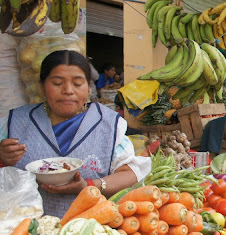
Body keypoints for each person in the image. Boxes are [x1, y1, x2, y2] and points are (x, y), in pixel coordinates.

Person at [0, 50, 151, 218]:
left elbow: (130, 173)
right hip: (22, 232)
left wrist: (89, 185)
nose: (68, 90)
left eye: (78, 84)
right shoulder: (15, 122)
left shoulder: (108, 124)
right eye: (57, 83)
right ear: (42, 86)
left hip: (88, 233)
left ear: (88, 88)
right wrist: (2, 159)